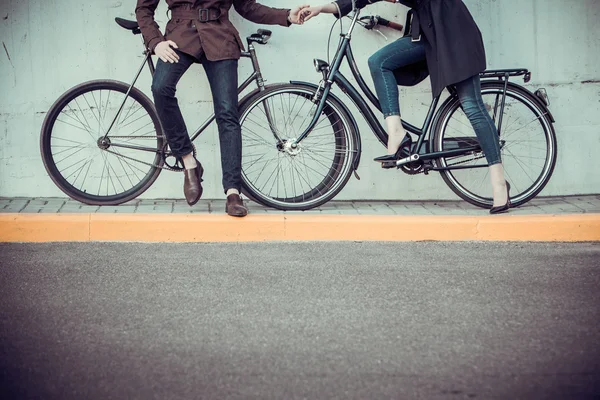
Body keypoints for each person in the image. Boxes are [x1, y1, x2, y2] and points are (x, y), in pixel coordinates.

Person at [300, 0, 512, 214]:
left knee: (472, 106)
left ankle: (499, 184)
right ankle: (396, 131)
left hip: (453, 33)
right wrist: (321, 9)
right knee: (380, 62)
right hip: (430, 34)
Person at [135, 0, 308, 217]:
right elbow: (143, 8)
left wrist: (286, 16)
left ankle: (233, 192)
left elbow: (247, 6)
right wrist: (155, 41)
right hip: (179, 35)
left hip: (219, 36)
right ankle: (189, 162)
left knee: (227, 112)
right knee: (160, 88)